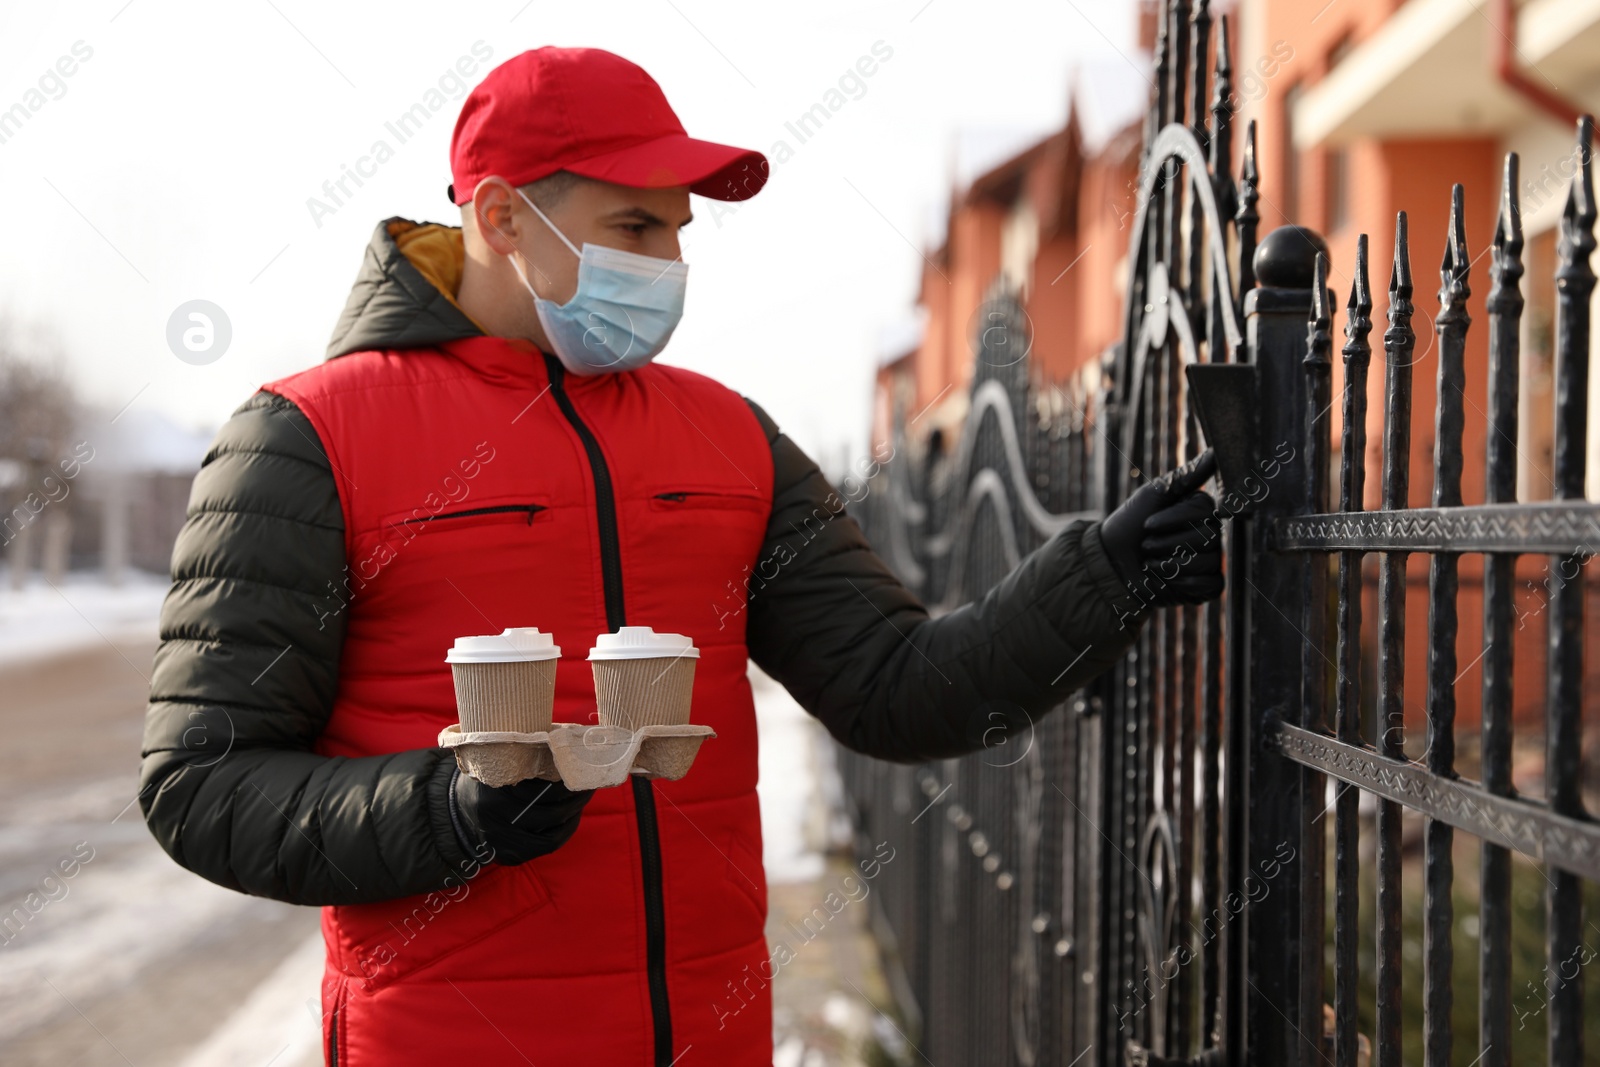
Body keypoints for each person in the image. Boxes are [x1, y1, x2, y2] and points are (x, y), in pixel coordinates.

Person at [138, 45, 1223, 1067]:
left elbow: (896, 689)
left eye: (674, 232)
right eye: (633, 227)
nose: (668, 263)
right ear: (502, 216)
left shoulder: (727, 435)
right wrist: (448, 809)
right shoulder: (304, 438)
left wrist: (1102, 575)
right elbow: (202, 781)